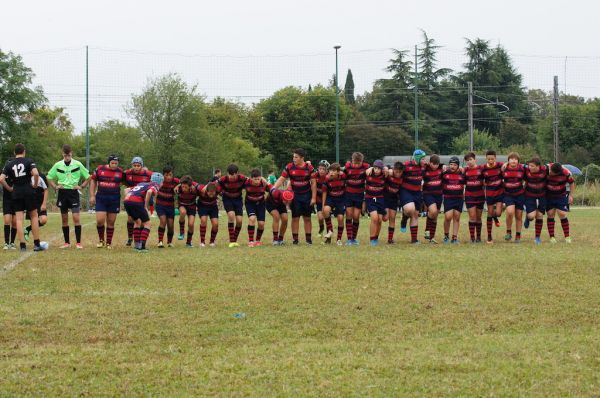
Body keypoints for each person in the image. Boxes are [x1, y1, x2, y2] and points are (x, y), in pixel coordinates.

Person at [0, 143, 44, 251]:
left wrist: (10, 188)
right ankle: (37, 244)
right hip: (28, 191)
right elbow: (36, 174)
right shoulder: (29, 161)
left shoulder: (9, 164)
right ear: (24, 152)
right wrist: (34, 185)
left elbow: (1, 179)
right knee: (34, 216)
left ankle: (22, 246)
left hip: (16, 193)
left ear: (15, 153)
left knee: (19, 219)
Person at [47, 144, 90, 249]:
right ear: (62, 154)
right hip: (62, 193)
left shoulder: (78, 164)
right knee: (64, 219)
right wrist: (55, 186)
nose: (67, 157)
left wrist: (82, 186)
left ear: (71, 153)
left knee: (76, 217)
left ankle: (78, 243)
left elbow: (89, 176)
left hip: (73, 193)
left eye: (69, 155)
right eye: (65, 155)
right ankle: (67, 243)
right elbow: (49, 176)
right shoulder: (57, 165)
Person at [273, 148, 317, 245]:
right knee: (295, 217)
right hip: (295, 196)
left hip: (307, 195)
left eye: (296, 157)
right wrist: (273, 188)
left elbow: (313, 183)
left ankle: (308, 240)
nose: (294, 159)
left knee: (307, 218)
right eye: (293, 157)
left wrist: (313, 198)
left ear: (302, 158)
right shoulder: (289, 167)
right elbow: (281, 179)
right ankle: (295, 240)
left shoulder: (309, 168)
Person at [89, 155, 124, 249]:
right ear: (109, 162)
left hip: (114, 199)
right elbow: (93, 181)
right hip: (101, 198)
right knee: (100, 221)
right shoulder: (100, 169)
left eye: (116, 163)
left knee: (111, 222)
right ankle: (101, 240)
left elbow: (124, 182)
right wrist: (92, 195)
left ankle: (109, 243)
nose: (114, 165)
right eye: (112, 163)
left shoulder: (120, 172)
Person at [123, 173, 162, 252]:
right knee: (147, 223)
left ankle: (137, 246)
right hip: (137, 201)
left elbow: (126, 190)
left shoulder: (143, 183)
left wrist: (129, 200)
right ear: (160, 182)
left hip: (127, 200)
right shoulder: (155, 185)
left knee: (137, 222)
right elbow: (149, 192)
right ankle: (142, 247)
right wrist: (145, 205)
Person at [123, 157, 152, 246]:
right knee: (131, 219)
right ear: (131, 165)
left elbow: (155, 179)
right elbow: (120, 179)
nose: (136, 167)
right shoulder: (127, 173)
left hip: (142, 199)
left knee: (143, 221)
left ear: (142, 166)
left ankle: (139, 240)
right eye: (134, 165)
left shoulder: (148, 174)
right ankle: (130, 238)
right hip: (132, 198)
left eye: (138, 165)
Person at [400, 149, 427, 244]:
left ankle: (414, 239)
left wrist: (443, 166)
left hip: (417, 192)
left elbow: (437, 166)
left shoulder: (424, 167)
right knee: (410, 210)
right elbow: (395, 169)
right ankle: (404, 218)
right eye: (423, 159)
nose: (425, 161)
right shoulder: (406, 165)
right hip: (406, 191)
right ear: (417, 158)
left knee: (415, 214)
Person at [343, 152, 369, 245]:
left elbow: (374, 170)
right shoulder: (347, 167)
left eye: (359, 163)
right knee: (349, 215)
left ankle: (354, 238)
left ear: (362, 161)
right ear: (352, 160)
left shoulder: (366, 167)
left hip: (359, 195)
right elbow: (341, 175)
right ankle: (349, 239)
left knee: (356, 216)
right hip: (349, 194)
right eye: (355, 162)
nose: (357, 165)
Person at [218, 164, 246, 248]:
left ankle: (235, 240)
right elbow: (213, 184)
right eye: (230, 175)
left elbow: (251, 181)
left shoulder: (242, 178)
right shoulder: (223, 179)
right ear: (227, 173)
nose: (232, 177)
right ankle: (231, 240)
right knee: (231, 216)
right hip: (227, 199)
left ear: (237, 173)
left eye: (234, 175)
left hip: (238, 200)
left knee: (239, 221)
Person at [546, 162, 575, 243]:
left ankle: (567, 236)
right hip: (549, 196)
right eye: (550, 171)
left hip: (561, 196)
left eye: (552, 173)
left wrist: (571, 195)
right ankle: (552, 237)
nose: (550, 173)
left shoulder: (566, 173)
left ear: (559, 172)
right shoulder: (546, 168)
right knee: (550, 214)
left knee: (562, 214)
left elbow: (572, 183)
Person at [523, 157, 548, 245]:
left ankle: (537, 237)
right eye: (529, 165)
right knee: (531, 216)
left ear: (538, 166)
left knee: (540, 215)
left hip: (542, 196)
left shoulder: (545, 169)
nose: (530, 167)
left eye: (532, 166)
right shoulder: (526, 169)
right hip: (529, 195)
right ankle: (527, 216)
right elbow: (516, 166)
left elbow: (554, 166)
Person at [502, 152, 526, 243]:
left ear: (518, 161)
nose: (513, 160)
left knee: (519, 216)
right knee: (510, 212)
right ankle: (508, 231)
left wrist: (524, 187)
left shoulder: (522, 169)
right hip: (508, 194)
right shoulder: (504, 168)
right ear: (508, 160)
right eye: (511, 159)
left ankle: (518, 236)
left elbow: (526, 179)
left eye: (515, 159)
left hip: (519, 195)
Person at [442, 156, 465, 244]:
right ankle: (446, 235)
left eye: (455, 165)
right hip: (448, 198)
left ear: (458, 166)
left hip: (459, 198)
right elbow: (435, 166)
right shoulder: (444, 173)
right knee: (448, 217)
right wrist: (443, 166)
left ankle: (454, 238)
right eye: (451, 164)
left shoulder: (462, 173)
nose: (452, 166)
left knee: (457, 217)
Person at [482, 150, 504, 244]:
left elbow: (507, 165)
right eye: (489, 159)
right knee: (489, 213)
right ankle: (489, 236)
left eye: (492, 159)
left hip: (499, 192)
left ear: (495, 158)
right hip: (490, 193)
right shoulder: (483, 168)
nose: (490, 161)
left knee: (498, 213)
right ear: (486, 158)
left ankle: (496, 218)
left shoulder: (500, 165)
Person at [244, 168, 270, 247]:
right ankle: (251, 241)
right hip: (250, 203)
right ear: (251, 178)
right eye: (255, 179)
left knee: (261, 224)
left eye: (258, 179)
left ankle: (258, 240)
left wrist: (267, 183)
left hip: (261, 204)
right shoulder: (246, 183)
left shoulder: (263, 183)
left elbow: (272, 190)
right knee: (252, 219)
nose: (257, 181)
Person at [322, 162, 346, 245]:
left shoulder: (343, 176)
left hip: (341, 199)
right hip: (331, 198)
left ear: (338, 172)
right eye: (330, 171)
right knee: (325, 210)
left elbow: (347, 167)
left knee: (340, 218)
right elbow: (324, 192)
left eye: (333, 171)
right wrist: (323, 205)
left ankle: (338, 239)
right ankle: (330, 231)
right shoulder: (327, 179)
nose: (331, 173)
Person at [155, 166, 179, 248]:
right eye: (166, 175)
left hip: (170, 206)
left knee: (170, 225)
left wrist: (178, 186)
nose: (168, 177)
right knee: (163, 221)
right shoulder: (159, 181)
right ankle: (160, 241)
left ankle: (169, 242)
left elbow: (184, 181)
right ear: (163, 175)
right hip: (160, 205)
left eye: (170, 175)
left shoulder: (175, 181)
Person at [463, 152, 485, 243]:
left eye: (471, 160)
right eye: (467, 160)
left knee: (478, 218)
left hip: (480, 196)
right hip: (469, 196)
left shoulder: (481, 169)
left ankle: (478, 237)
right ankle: (472, 238)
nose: (469, 162)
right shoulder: (465, 171)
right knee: (472, 217)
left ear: (475, 160)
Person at [365, 160, 387, 246]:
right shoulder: (369, 173)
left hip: (380, 199)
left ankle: (376, 238)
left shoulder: (384, 174)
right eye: (375, 168)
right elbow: (365, 171)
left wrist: (386, 168)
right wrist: (370, 168)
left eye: (379, 168)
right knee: (374, 218)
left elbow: (391, 171)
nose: (376, 170)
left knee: (380, 220)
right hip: (370, 198)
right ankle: (372, 239)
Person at [422, 155, 443, 244]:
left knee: (435, 216)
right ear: (430, 162)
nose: (435, 166)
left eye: (436, 164)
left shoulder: (441, 169)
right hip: (428, 194)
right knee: (433, 211)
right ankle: (427, 229)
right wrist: (424, 165)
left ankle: (431, 238)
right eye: (433, 164)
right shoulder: (425, 169)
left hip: (438, 195)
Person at [25, 172, 49, 242]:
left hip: (40, 201)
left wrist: (44, 203)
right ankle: (36, 242)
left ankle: (28, 229)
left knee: (43, 220)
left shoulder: (41, 176)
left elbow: (46, 190)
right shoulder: (26, 176)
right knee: (33, 221)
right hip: (30, 201)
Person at [383, 162, 403, 244]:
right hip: (385, 199)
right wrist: (387, 168)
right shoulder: (389, 174)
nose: (398, 174)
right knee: (385, 218)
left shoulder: (402, 178)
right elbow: (383, 168)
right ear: (393, 169)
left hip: (394, 200)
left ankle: (390, 239)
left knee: (392, 218)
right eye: (396, 171)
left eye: (399, 172)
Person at [177, 175, 198, 247]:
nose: (183, 188)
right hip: (182, 205)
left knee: (191, 224)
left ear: (190, 186)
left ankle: (188, 242)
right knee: (183, 212)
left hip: (192, 206)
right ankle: (181, 232)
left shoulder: (194, 190)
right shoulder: (178, 188)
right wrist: (178, 185)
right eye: (182, 186)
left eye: (186, 187)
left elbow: (200, 187)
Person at [197, 182, 220, 247]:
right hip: (202, 206)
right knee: (203, 221)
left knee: (215, 224)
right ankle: (202, 242)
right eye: (210, 192)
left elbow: (218, 181)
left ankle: (212, 241)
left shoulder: (218, 189)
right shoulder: (201, 189)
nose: (211, 194)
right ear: (206, 191)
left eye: (213, 192)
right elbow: (193, 183)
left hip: (213, 207)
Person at [1, 163, 17, 250]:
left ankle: (12, 242)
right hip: (7, 200)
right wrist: (9, 188)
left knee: (14, 222)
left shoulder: (18, 173)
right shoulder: (4, 173)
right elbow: (1, 180)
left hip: (16, 199)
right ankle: (6, 243)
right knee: (7, 220)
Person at [314, 160, 329, 237]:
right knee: (320, 218)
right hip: (319, 200)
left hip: (327, 200)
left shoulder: (329, 177)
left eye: (323, 169)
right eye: (320, 169)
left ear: (327, 170)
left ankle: (329, 232)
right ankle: (321, 228)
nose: (321, 171)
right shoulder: (315, 176)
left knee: (326, 216)